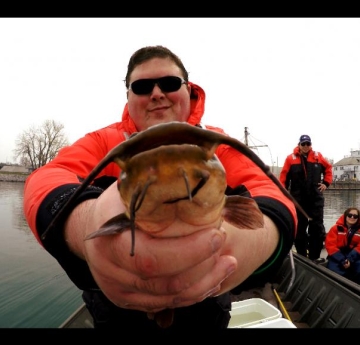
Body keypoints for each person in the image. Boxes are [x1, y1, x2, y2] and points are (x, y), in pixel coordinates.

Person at [23, 45, 297, 331]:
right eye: (141, 87)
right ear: (128, 97)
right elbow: (47, 178)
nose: (156, 94)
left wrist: (246, 243)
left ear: (189, 89)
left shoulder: (217, 141)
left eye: (169, 83)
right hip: (116, 315)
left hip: (207, 313)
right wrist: (86, 224)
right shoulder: (102, 142)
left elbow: (270, 191)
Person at [279, 134, 333, 261]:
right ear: (299, 144)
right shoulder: (290, 159)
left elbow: (329, 168)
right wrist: (283, 194)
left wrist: (326, 183)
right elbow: (283, 178)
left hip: (315, 200)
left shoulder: (318, 157)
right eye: (303, 144)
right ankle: (302, 257)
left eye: (308, 144)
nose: (305, 146)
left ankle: (314, 257)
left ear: (311, 145)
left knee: (317, 228)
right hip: (298, 201)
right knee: (299, 230)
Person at [325, 207, 360, 283]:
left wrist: (349, 259)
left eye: (355, 216)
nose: (352, 217)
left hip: (354, 255)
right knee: (334, 273)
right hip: (337, 255)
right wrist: (343, 260)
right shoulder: (335, 229)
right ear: (345, 216)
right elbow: (330, 246)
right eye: (350, 215)